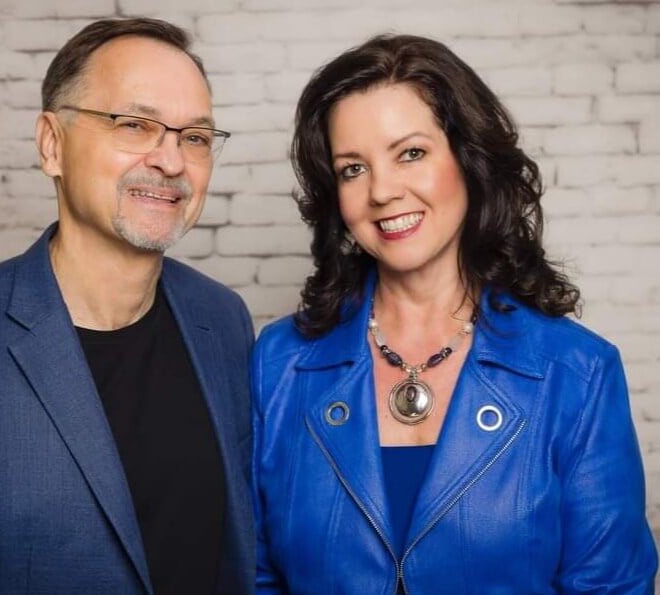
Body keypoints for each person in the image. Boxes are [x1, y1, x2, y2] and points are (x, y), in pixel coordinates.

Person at [0, 18, 255, 595]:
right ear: (52, 145)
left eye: (194, 137)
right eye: (135, 125)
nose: (171, 161)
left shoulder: (223, 320)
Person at [251, 34, 657, 593]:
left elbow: (611, 587)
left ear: (468, 161)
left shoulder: (578, 374)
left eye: (410, 153)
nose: (382, 191)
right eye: (352, 169)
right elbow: (253, 574)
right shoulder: (277, 364)